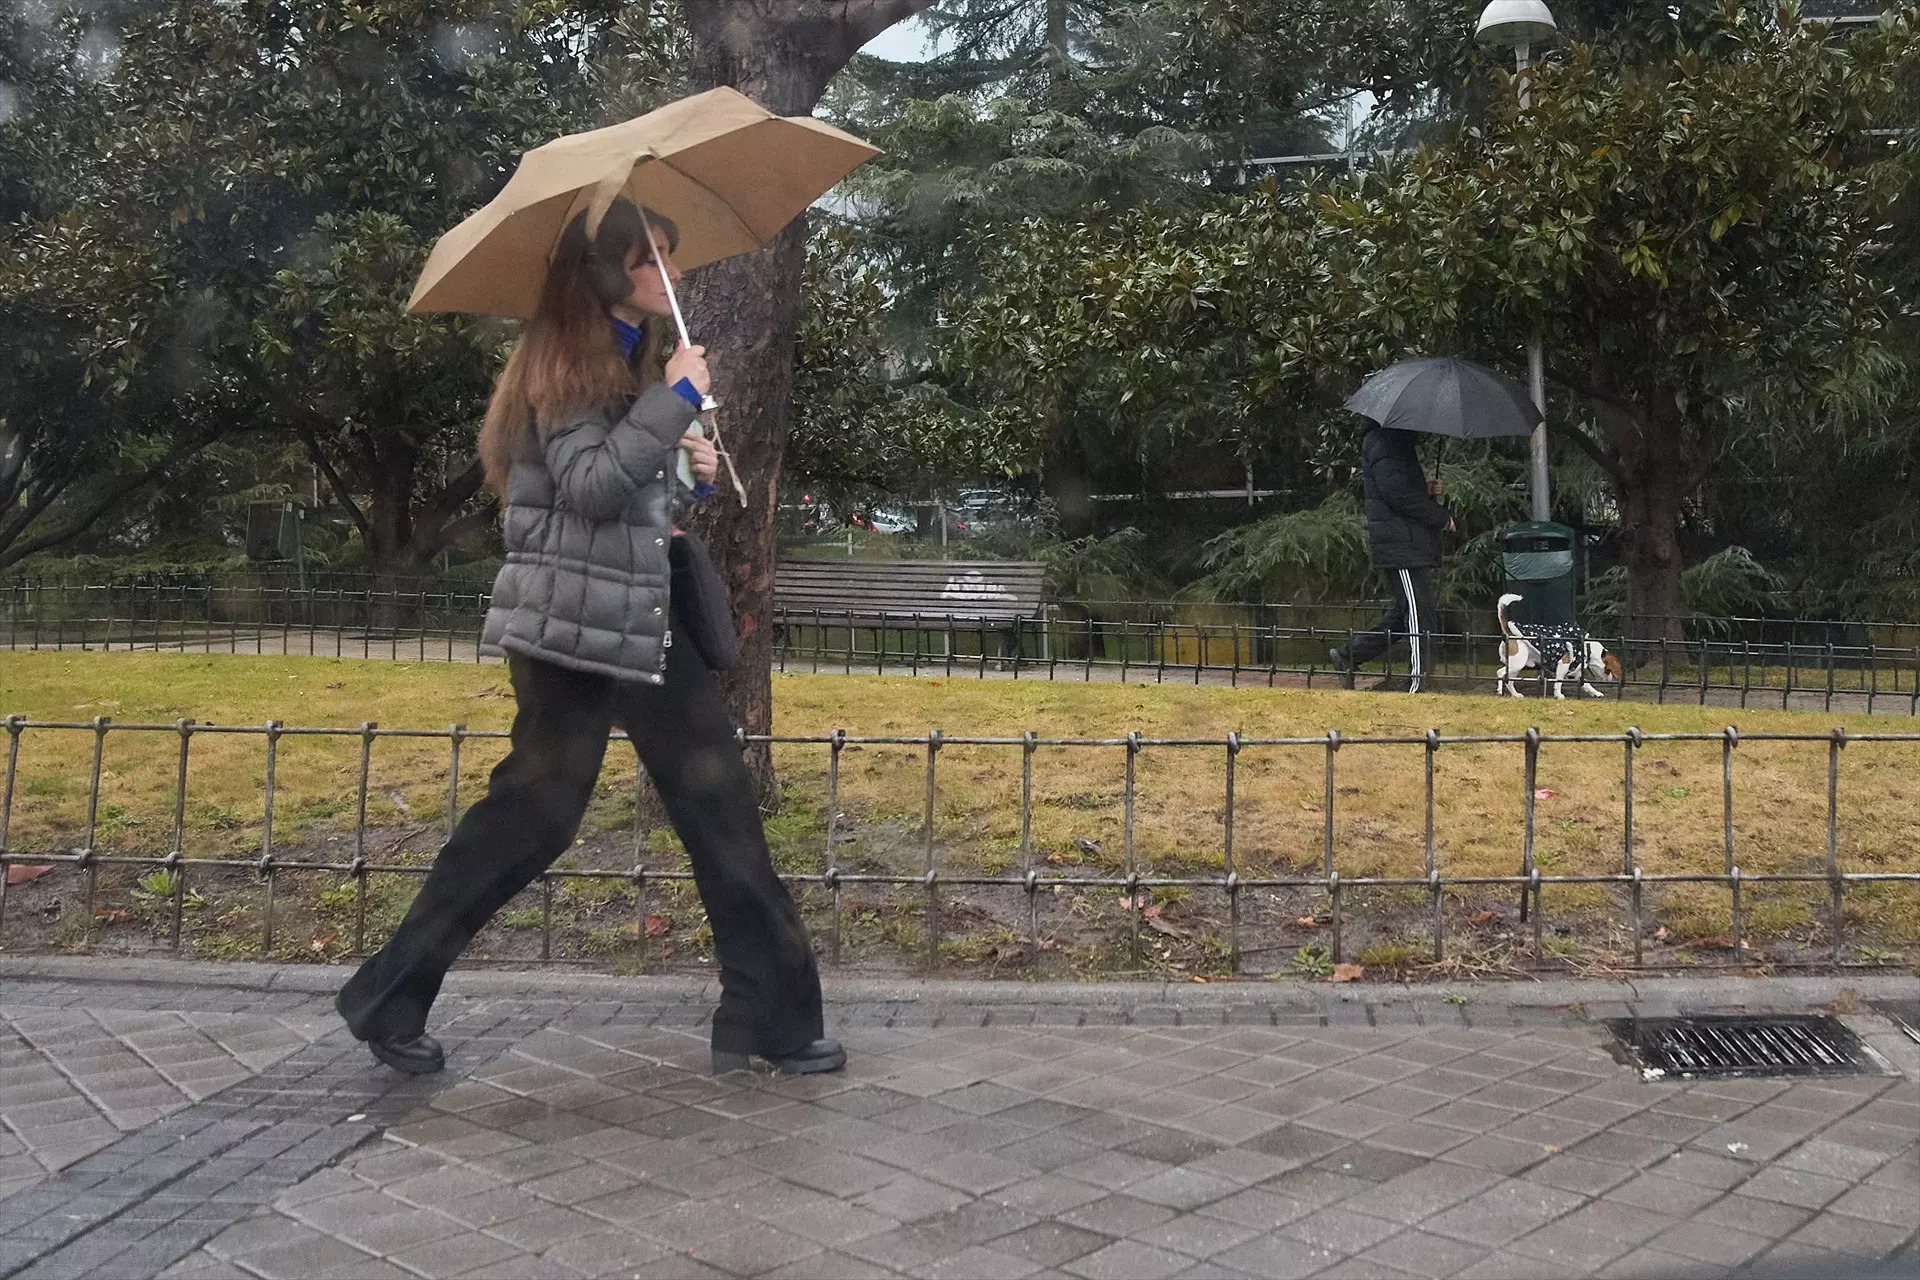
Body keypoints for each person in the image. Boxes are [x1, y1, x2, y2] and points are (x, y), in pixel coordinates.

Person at [336, 197, 844, 1079]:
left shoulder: (613, 362)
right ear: (608, 270)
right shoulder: (568, 365)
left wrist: (687, 477)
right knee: (538, 822)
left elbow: (620, 507)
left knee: (710, 813)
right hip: (580, 639)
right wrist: (677, 399)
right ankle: (389, 993)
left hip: (627, 627)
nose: (673, 274)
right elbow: (593, 489)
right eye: (656, 258)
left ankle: (770, 1016)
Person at [1329, 424, 1454, 693]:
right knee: (1419, 613)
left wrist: (1425, 489)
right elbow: (1398, 495)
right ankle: (1420, 682)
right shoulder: (1387, 444)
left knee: (1405, 612)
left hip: (1405, 542)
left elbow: (1398, 489)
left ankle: (1349, 656)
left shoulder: (1392, 443)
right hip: (1401, 544)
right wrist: (1440, 517)